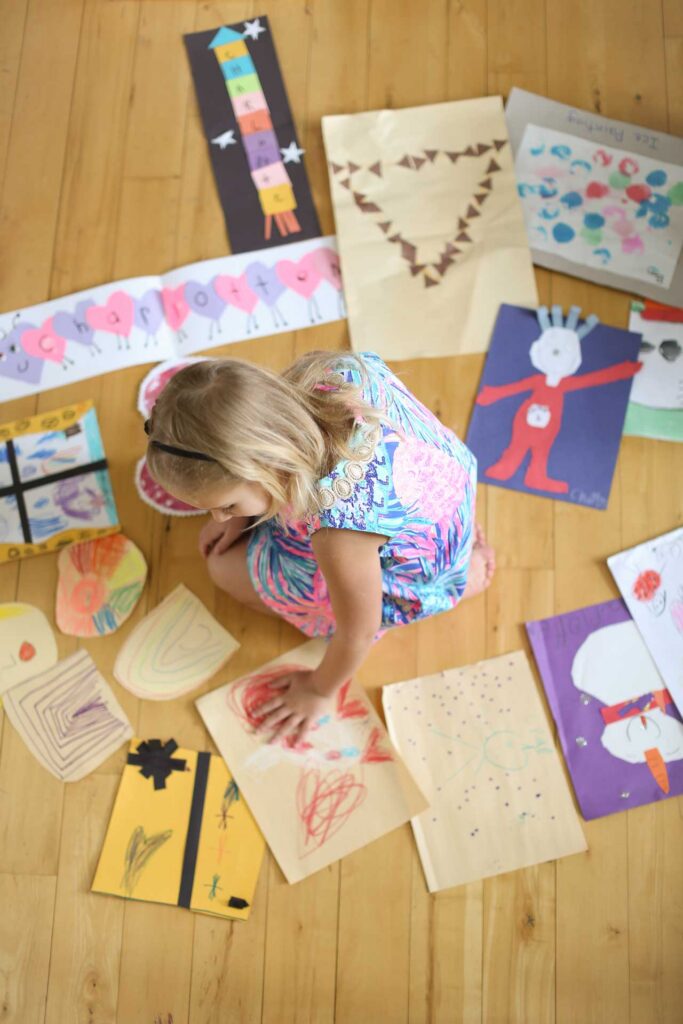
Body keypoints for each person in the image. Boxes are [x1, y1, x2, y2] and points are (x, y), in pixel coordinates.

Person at [144, 350, 495, 741]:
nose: (219, 518)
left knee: (223, 570)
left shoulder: (338, 530)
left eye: (226, 507)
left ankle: (455, 583)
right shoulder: (326, 374)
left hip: (411, 569)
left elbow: (358, 631)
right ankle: (462, 564)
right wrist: (239, 515)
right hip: (439, 493)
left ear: (266, 465)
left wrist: (317, 691)